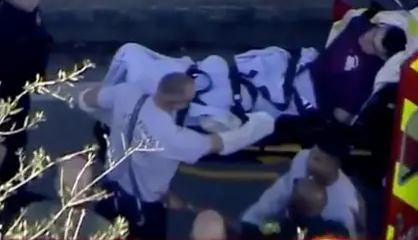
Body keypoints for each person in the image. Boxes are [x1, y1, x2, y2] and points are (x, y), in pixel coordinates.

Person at [100, 10, 407, 130]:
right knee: (216, 73)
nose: (367, 44)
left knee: (229, 100)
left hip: (297, 99)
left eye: (376, 49)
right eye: (373, 37)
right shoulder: (360, 24)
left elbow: (341, 120)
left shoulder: (366, 79)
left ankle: (135, 103)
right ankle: (131, 97)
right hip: (288, 65)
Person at [77, 71, 275, 239]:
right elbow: (224, 143)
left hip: (110, 186)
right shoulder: (175, 139)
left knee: (103, 229)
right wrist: (263, 124)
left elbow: (86, 99)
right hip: (144, 205)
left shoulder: (126, 93)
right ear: (178, 104)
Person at [241, 126, 366, 238]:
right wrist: (252, 222)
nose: (309, 162)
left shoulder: (344, 207)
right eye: (311, 153)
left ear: (334, 165)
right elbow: (277, 195)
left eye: (317, 159)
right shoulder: (302, 159)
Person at [0, 0, 52, 218]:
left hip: (20, 90)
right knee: (7, 144)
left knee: (17, 143)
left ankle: (15, 191)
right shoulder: (5, 22)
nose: (35, 3)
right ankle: (8, 197)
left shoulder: (29, 15)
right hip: (5, 94)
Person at [191, 178, 351, 240]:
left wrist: (191, 207)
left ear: (291, 207)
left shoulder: (283, 229)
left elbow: (249, 229)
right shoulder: (339, 231)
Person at [18, 156, 112, 238]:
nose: (75, 181)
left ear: (90, 186)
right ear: (56, 183)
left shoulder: (102, 229)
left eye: (81, 175)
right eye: (71, 172)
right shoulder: (34, 215)